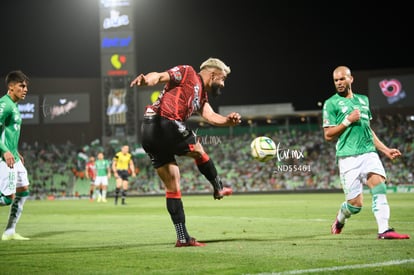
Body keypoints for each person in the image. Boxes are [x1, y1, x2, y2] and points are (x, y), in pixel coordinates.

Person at [130, 57, 241, 247]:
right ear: (213, 74)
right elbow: (160, 76)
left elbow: (211, 116)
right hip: (166, 122)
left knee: (173, 185)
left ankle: (183, 238)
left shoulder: (202, 96)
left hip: (148, 131)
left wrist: (227, 121)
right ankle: (218, 186)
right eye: (222, 79)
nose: (222, 84)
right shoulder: (188, 72)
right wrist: (147, 80)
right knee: (199, 151)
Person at [322, 65, 410, 240]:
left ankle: (384, 230)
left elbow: (368, 130)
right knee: (355, 206)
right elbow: (328, 135)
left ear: (351, 79)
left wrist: (385, 150)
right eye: (336, 80)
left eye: (342, 79)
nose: (339, 83)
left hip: (368, 153)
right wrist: (347, 121)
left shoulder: (363, 100)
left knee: (380, 187)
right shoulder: (330, 103)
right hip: (348, 157)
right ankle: (340, 218)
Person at [0, 70, 31, 241]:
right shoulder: (4, 105)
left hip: (13, 156)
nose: (25, 89)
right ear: (11, 87)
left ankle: (10, 231)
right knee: (6, 199)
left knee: (23, 189)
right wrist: (4, 150)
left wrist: (15, 151)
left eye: (26, 86)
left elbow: (8, 132)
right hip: (3, 157)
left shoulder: (15, 106)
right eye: (22, 85)